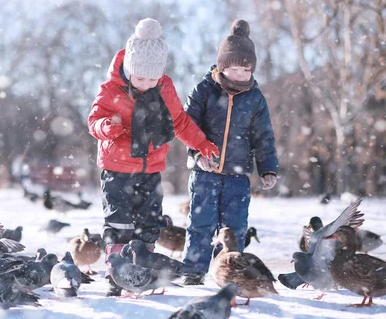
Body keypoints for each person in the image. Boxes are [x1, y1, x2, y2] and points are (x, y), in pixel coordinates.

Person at [87, 18, 219, 296]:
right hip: (117, 167)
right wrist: (106, 128)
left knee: (150, 223)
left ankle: (141, 271)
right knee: (119, 222)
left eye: (152, 78)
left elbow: (179, 121)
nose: (147, 83)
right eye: (141, 77)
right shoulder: (111, 89)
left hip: (151, 167)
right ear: (129, 70)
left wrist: (201, 144)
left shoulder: (164, 87)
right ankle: (117, 274)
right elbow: (94, 121)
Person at [181, 19, 279, 285]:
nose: (240, 74)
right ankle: (193, 270)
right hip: (205, 173)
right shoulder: (204, 90)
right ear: (223, 67)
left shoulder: (255, 99)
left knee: (234, 228)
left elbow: (264, 137)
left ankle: (230, 271)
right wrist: (198, 156)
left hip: (238, 175)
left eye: (246, 70)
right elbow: (188, 127)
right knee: (201, 225)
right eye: (234, 68)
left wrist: (268, 168)